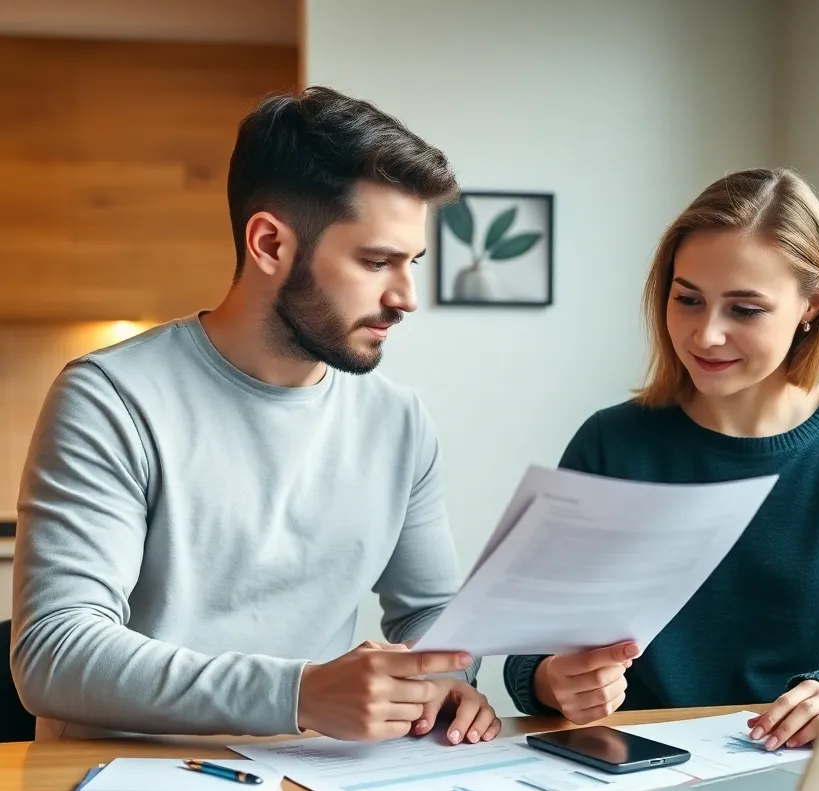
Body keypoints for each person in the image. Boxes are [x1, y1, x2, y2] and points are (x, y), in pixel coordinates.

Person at [12, 86, 500, 745]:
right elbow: (53, 652)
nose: (407, 297)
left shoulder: (399, 421)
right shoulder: (111, 398)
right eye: (376, 261)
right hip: (125, 786)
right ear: (270, 244)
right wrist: (297, 693)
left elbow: (430, 614)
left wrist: (448, 678)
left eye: (411, 262)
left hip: (320, 778)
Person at [504, 168, 819, 750]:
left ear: (812, 303)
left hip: (796, 761)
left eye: (745, 309)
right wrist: (552, 680)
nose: (706, 335)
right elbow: (526, 648)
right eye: (688, 300)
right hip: (636, 756)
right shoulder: (611, 441)